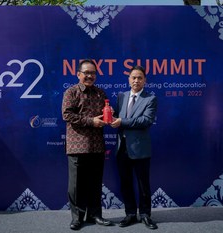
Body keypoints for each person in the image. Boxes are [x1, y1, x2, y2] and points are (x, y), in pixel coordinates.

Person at [62, 59, 113, 230]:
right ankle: (77, 217)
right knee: (76, 185)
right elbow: (67, 115)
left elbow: (106, 114)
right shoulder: (71, 92)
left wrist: (109, 115)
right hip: (78, 146)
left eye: (93, 73)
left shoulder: (100, 93)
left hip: (97, 146)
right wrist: (91, 121)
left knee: (95, 182)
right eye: (86, 73)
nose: (90, 76)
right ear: (79, 74)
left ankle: (94, 214)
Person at [111, 65, 158, 230]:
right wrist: (111, 114)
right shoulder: (121, 96)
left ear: (145, 80)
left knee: (143, 184)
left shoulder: (150, 98)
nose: (136, 80)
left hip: (140, 149)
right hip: (122, 148)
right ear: (128, 79)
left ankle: (145, 215)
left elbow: (145, 121)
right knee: (125, 183)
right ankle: (130, 213)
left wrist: (121, 121)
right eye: (133, 77)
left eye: (140, 77)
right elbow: (117, 116)